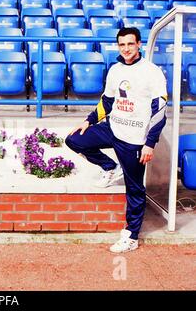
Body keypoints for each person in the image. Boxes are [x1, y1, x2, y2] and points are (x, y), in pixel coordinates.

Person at [65, 27, 167, 253]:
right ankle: (110, 167)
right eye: (122, 45)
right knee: (74, 140)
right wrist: (90, 121)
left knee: (134, 188)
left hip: (135, 138)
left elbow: (159, 111)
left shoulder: (151, 71)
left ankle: (131, 236)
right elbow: (108, 101)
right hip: (113, 126)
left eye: (130, 44)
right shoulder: (115, 70)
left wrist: (149, 143)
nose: (126, 49)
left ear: (139, 44)